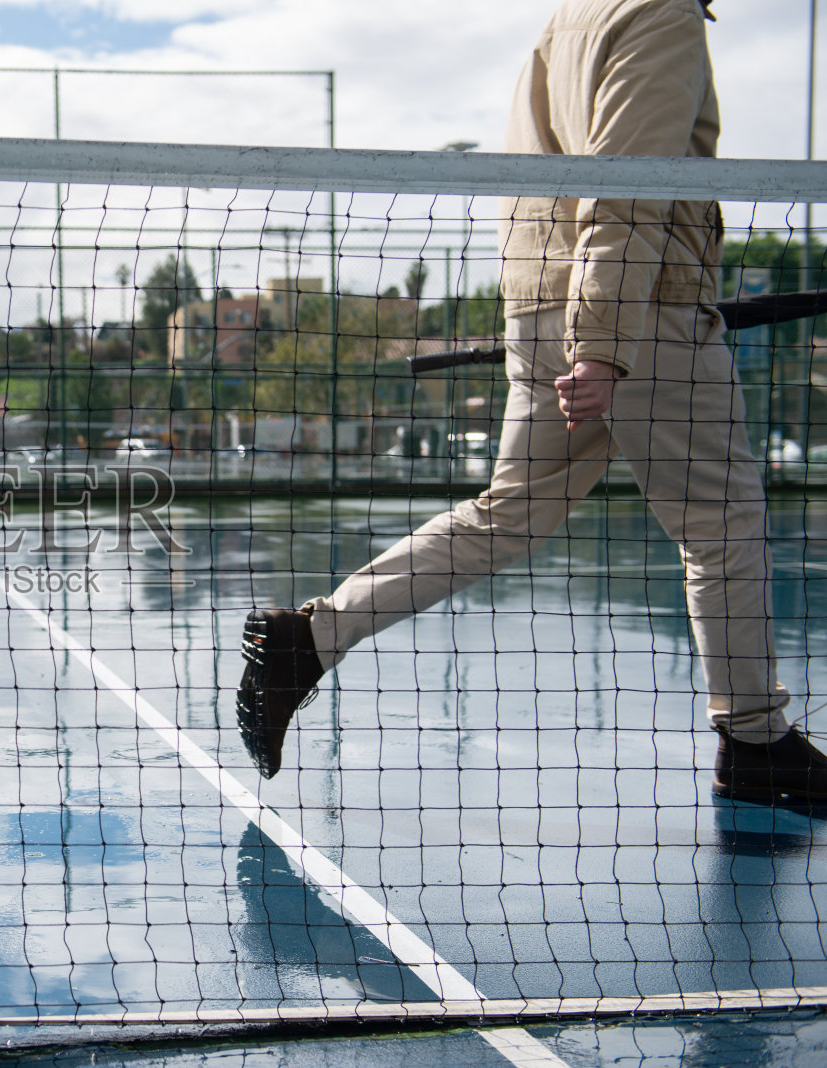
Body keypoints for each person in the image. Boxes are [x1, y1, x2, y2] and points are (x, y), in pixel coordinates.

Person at [234, 0, 827, 805]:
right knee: (721, 529)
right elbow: (630, 190)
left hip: (544, 307)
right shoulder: (663, 16)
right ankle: (756, 739)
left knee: (506, 513)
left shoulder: (566, 22)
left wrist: (567, 329)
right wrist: (604, 345)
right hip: (638, 313)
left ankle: (311, 636)